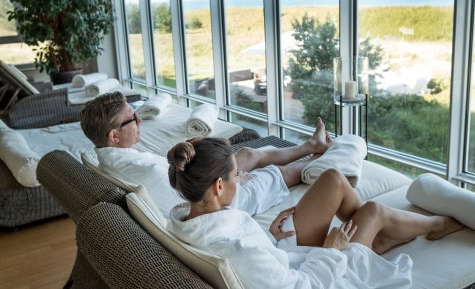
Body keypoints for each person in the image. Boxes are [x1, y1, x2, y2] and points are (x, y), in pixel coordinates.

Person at [166, 137, 463, 289]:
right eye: (237, 176)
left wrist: (268, 238)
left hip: (286, 262)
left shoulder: (187, 222)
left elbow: (253, 265)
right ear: (219, 186)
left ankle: (374, 243)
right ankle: (436, 224)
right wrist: (331, 252)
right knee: (371, 213)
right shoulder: (236, 249)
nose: (242, 179)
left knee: (333, 179)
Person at [79, 91, 332, 218]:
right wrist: (232, 181)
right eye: (132, 119)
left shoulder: (106, 157)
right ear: (114, 136)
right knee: (275, 173)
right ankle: (320, 160)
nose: (139, 121)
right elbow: (191, 202)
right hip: (221, 199)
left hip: (206, 182)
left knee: (246, 152)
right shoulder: (146, 171)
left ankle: (312, 145)